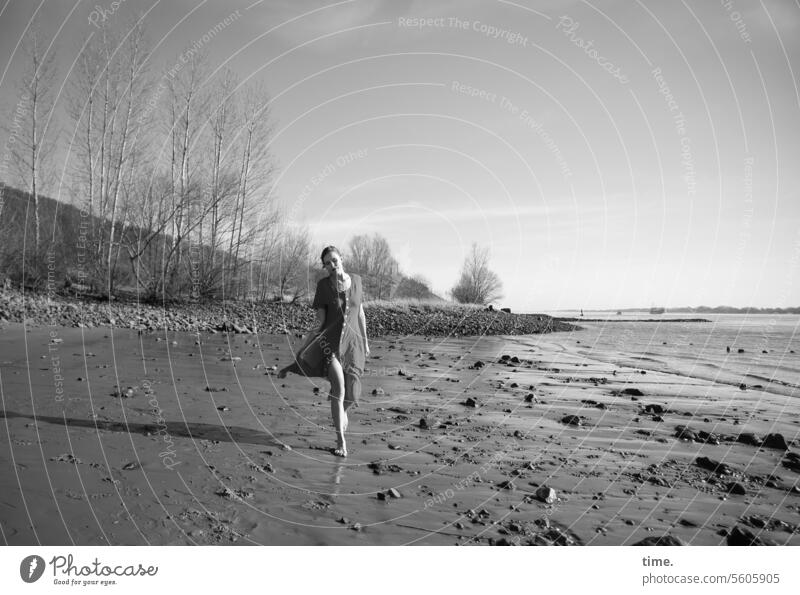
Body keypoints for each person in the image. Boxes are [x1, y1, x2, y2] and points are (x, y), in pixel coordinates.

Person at [277, 246, 369, 457]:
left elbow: (361, 312)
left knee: (353, 392)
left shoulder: (357, 280)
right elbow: (319, 321)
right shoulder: (323, 286)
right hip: (331, 345)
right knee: (339, 389)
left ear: (341, 258)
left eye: (334, 260)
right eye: (327, 263)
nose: (331, 265)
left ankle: (343, 413)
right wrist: (304, 348)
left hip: (354, 345)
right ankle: (341, 442)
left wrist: (365, 341)